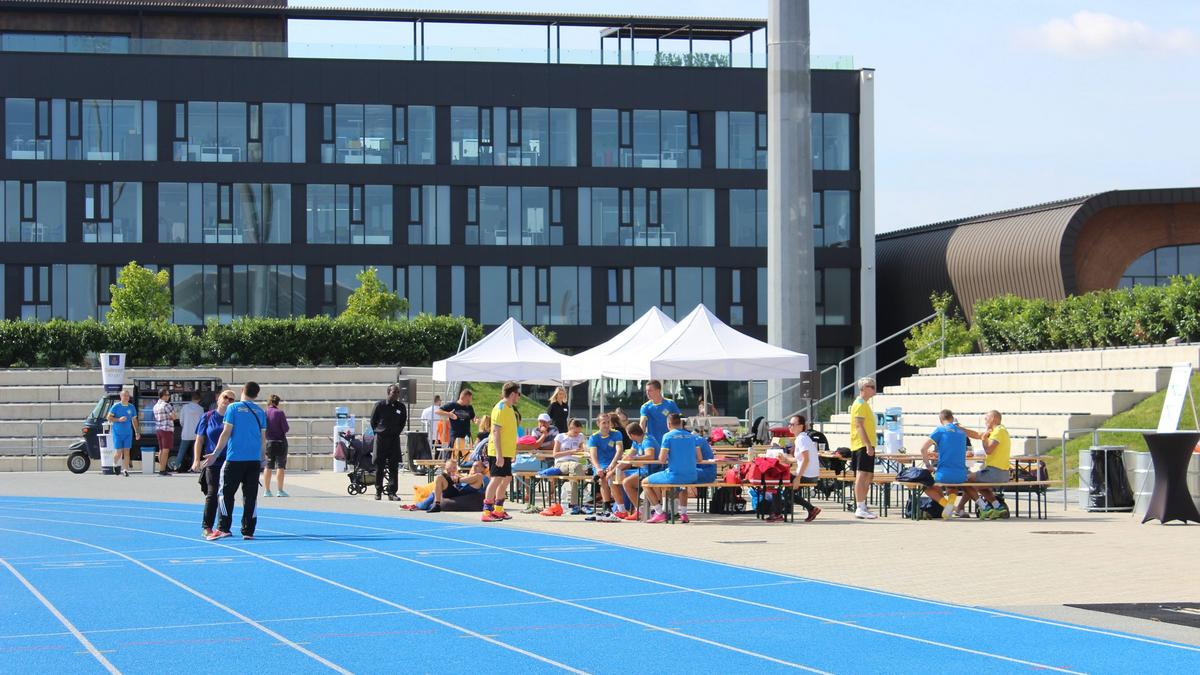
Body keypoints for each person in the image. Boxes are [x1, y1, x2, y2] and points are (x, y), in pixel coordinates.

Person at [203, 381, 267, 541]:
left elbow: (226, 433)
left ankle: (223, 528)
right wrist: (262, 458)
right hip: (253, 460)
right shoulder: (260, 411)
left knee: (225, 494)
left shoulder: (233, 408)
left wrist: (215, 454)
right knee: (250, 496)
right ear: (257, 394)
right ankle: (248, 530)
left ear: (242, 390)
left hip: (234, 458)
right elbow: (263, 439)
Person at [191, 389, 236, 539]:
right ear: (218, 399)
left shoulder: (235, 418)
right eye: (225, 397)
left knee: (227, 495)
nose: (227, 400)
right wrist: (196, 460)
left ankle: (223, 527)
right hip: (212, 461)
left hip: (229, 461)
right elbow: (199, 439)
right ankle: (207, 526)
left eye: (231, 399)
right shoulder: (207, 416)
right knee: (212, 493)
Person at [643, 414, 702, 524]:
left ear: (669, 424)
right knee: (683, 486)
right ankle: (684, 514)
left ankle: (659, 512)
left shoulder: (668, 436)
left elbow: (661, 459)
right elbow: (700, 458)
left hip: (674, 475)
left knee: (644, 483)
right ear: (681, 423)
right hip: (692, 475)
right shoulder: (692, 436)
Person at [916, 409, 970, 516]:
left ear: (941, 420)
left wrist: (928, 465)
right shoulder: (962, 432)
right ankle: (951, 505)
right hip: (961, 475)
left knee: (925, 486)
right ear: (952, 418)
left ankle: (947, 505)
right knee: (952, 486)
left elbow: (923, 449)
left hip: (943, 475)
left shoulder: (940, 430)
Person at [959, 410, 1011, 519]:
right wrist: (962, 429)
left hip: (996, 472)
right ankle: (998, 507)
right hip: (1002, 473)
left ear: (993, 418)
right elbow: (977, 434)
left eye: (986, 418)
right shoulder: (998, 430)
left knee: (964, 480)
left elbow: (988, 450)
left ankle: (984, 508)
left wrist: (983, 440)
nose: (985, 420)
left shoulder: (999, 431)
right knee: (979, 485)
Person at [483, 382, 520, 522]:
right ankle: (486, 511)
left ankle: (498, 509)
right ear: (512, 394)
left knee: (507, 478)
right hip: (498, 451)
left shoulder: (510, 408)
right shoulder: (500, 408)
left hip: (507, 451)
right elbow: (496, 432)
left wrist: (513, 451)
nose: (519, 397)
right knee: (496, 479)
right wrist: (499, 454)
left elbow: (510, 432)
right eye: (518, 394)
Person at [540, 418, 588, 516]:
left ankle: (574, 503)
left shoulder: (580, 437)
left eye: (579, 432)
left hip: (574, 464)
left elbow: (584, 449)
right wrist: (571, 452)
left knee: (575, 475)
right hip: (561, 463)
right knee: (577, 468)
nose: (577, 434)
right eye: (575, 432)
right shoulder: (560, 437)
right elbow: (555, 454)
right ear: (570, 428)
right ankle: (581, 496)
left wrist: (583, 450)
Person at [370, 384, 408, 501]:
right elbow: (373, 421)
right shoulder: (379, 405)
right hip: (381, 439)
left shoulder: (401, 407)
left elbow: (402, 422)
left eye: (398, 392)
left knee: (393, 466)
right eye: (394, 392)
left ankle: (392, 492)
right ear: (388, 393)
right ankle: (378, 491)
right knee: (379, 466)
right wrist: (379, 431)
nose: (396, 394)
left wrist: (396, 432)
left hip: (394, 439)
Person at [849, 377, 879, 520]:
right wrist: (867, 444)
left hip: (867, 444)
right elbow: (859, 426)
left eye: (874, 386)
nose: (874, 388)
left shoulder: (864, 404)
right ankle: (860, 507)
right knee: (862, 475)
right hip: (861, 444)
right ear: (864, 388)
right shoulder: (860, 404)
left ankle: (862, 505)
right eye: (871, 386)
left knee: (868, 475)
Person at [615, 422, 658, 521]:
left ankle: (640, 510)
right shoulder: (636, 442)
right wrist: (615, 469)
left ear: (631, 435)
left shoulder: (647, 440)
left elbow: (650, 456)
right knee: (618, 477)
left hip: (652, 470)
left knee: (627, 482)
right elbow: (629, 456)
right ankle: (624, 508)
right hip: (643, 469)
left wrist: (635, 458)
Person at [585, 413, 623, 522]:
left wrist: (612, 464)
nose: (606, 425)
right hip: (600, 465)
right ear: (598, 424)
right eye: (604, 423)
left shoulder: (617, 434)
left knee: (610, 478)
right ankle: (607, 508)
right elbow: (593, 455)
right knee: (603, 479)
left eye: (608, 422)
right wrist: (598, 468)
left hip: (614, 463)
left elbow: (619, 450)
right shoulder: (594, 437)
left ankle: (620, 508)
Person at [787, 415, 821, 522]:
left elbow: (806, 459)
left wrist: (798, 478)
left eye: (792, 424)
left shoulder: (801, 439)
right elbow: (800, 459)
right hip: (811, 474)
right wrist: (786, 459)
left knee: (783, 486)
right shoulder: (803, 438)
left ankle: (778, 513)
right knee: (787, 489)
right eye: (789, 424)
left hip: (807, 475)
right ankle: (811, 509)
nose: (789, 426)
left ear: (801, 426)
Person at [106, 388, 139, 477]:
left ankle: (125, 470)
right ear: (121, 397)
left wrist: (137, 432)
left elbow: (134, 420)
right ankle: (115, 464)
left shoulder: (131, 407)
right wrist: (118, 419)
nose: (126, 397)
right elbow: (108, 417)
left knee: (127, 451)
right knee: (119, 452)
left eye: (128, 396)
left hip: (128, 433)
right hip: (117, 432)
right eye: (124, 396)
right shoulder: (116, 406)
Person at [262, 394, 290, 498]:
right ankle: (280, 490)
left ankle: (267, 490)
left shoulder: (264, 413)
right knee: (280, 466)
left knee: (268, 466)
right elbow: (286, 428)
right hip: (280, 442)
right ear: (277, 402)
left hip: (269, 442)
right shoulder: (280, 412)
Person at [435, 388, 477, 457]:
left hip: (466, 436)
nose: (469, 402)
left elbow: (473, 417)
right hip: (455, 435)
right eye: (468, 400)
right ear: (463, 397)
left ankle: (465, 463)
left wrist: (476, 420)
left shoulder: (469, 407)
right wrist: (449, 414)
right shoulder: (452, 405)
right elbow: (437, 411)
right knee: (453, 455)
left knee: (467, 454)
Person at [639, 380, 681, 449]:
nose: (647, 393)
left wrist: (678, 437)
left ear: (658, 391)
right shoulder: (645, 406)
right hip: (654, 443)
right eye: (646, 391)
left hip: (669, 441)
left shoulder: (670, 403)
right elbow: (642, 423)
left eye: (650, 390)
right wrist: (640, 440)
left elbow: (678, 421)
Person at [177, 393, 205, 473]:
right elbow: (202, 422)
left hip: (186, 433)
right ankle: (194, 468)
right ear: (199, 400)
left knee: (181, 452)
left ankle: (176, 466)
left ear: (191, 398)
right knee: (195, 452)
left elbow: (181, 421)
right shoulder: (200, 409)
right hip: (196, 434)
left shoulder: (185, 407)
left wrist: (185, 426)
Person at [152, 389, 176, 476]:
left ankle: (161, 468)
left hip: (158, 429)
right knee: (166, 450)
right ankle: (162, 470)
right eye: (168, 395)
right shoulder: (166, 405)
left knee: (161, 450)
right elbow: (174, 417)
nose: (169, 396)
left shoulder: (155, 406)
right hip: (166, 429)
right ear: (163, 396)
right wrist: (171, 417)